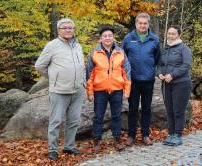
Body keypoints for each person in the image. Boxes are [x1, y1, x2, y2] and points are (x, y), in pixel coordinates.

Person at [35, 18, 86, 160]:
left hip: (77, 90)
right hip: (59, 91)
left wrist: (82, 83)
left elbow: (81, 66)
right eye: (65, 28)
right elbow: (39, 66)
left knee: (74, 121)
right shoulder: (52, 45)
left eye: (71, 27)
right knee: (55, 121)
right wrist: (54, 78)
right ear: (59, 30)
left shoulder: (78, 46)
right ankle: (52, 149)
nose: (68, 30)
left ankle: (69, 146)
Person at [86, 26, 131, 152]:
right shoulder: (94, 53)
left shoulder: (121, 52)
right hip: (99, 90)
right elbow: (89, 74)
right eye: (105, 36)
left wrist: (126, 91)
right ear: (100, 38)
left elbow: (127, 73)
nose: (107, 38)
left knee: (117, 116)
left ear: (113, 37)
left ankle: (117, 139)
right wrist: (89, 92)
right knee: (98, 116)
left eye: (110, 35)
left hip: (117, 89)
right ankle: (96, 140)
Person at [122, 13, 161, 146]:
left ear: (148, 24)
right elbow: (123, 58)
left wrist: (149, 69)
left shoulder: (154, 39)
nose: (143, 25)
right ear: (136, 24)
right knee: (132, 108)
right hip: (132, 80)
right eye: (140, 23)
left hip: (148, 80)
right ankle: (131, 136)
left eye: (145, 23)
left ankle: (145, 135)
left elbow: (157, 59)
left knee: (146, 108)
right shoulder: (128, 38)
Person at [157, 25, 192, 146]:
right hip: (166, 84)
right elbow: (160, 64)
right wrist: (160, 73)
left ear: (179, 35)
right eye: (169, 33)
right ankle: (171, 134)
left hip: (181, 84)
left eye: (173, 34)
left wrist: (172, 75)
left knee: (178, 110)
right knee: (169, 110)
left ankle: (178, 135)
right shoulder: (165, 49)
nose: (170, 36)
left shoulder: (184, 49)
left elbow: (186, 65)